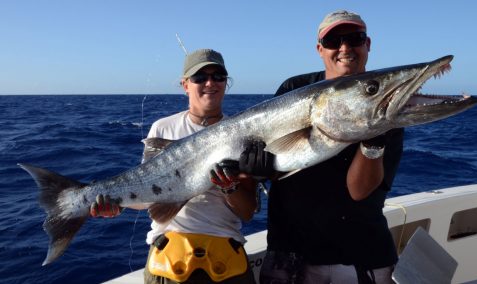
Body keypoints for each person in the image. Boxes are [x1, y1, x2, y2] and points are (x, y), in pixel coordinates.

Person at [91, 49, 272, 284]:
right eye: (199, 77)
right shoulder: (163, 128)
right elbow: (149, 195)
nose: (210, 83)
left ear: (226, 83)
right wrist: (118, 204)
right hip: (168, 259)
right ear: (185, 84)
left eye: (218, 76)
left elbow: (247, 212)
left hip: (227, 256)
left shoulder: (244, 132)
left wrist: (230, 188)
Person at [259, 10, 404, 284]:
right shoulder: (294, 88)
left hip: (362, 258)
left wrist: (374, 135)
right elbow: (274, 168)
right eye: (334, 41)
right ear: (320, 49)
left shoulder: (388, 107)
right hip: (290, 255)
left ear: (368, 44)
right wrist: (255, 167)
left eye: (354, 39)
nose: (345, 48)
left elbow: (359, 190)